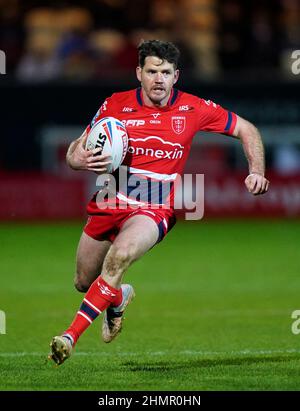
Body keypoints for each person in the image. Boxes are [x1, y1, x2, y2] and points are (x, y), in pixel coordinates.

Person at [48, 40, 269, 365]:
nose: (159, 79)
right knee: (83, 281)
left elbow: (247, 129)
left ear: (176, 75)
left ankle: (69, 336)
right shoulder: (115, 105)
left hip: (154, 208)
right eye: (152, 71)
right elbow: (74, 151)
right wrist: (76, 160)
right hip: (110, 200)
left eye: (166, 72)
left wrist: (257, 171)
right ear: (139, 72)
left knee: (118, 258)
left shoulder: (194, 108)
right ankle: (118, 297)